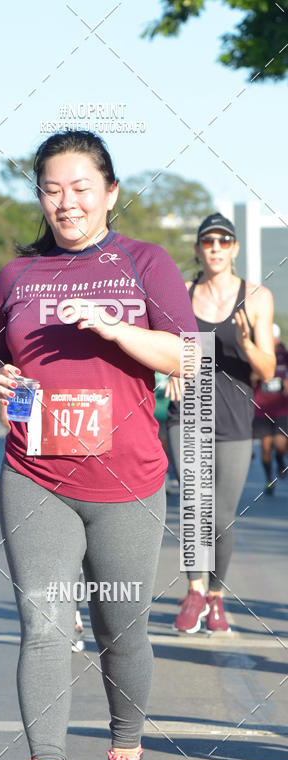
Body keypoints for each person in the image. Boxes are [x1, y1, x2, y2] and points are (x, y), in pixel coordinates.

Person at [0, 130, 197, 760]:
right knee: (43, 622)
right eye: (51, 188)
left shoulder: (145, 262)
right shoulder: (17, 275)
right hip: (34, 472)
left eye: (79, 188)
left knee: (122, 625)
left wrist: (113, 328)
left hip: (128, 479)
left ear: (110, 193)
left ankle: (125, 753)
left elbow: (187, 357)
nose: (65, 202)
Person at [167, 213, 275, 634]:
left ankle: (216, 596)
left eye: (223, 241)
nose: (215, 248)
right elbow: (165, 344)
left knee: (222, 517)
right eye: (207, 242)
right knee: (194, 508)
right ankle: (195, 591)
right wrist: (171, 368)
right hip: (188, 413)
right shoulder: (181, 292)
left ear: (234, 249)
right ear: (198, 249)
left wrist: (247, 342)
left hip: (234, 416)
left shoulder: (257, 296)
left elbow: (266, 370)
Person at [252, 323, 288, 494]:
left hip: (281, 409)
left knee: (280, 445)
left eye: (274, 338)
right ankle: (269, 480)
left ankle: (281, 461)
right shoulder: (257, 355)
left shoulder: (284, 355)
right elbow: (250, 379)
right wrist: (257, 373)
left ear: (278, 338)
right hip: (261, 410)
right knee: (265, 448)